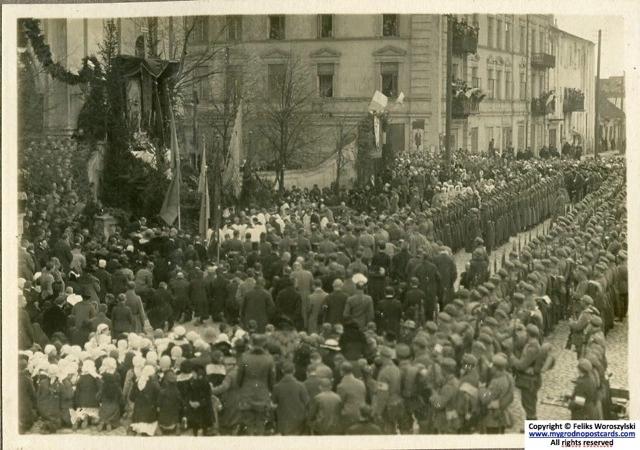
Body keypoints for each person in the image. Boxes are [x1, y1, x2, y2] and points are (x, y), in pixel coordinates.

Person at [236, 334, 276, 435]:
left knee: (248, 422)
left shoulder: (244, 357)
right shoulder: (269, 359)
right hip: (262, 393)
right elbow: (272, 380)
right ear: (264, 344)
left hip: (247, 393)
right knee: (261, 422)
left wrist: (241, 389)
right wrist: (270, 391)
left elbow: (239, 378)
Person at [271, 361, 309, 435]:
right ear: (294, 371)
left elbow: (273, 405)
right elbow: (307, 402)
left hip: (283, 421)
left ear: (282, 371)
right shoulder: (301, 386)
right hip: (299, 422)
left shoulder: (277, 387)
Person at [480, 353, 514, 434]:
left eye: (493, 366)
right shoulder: (508, 376)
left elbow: (485, 398)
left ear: (496, 368)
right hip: (503, 411)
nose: (491, 368)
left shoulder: (497, 382)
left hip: (493, 415)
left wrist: (481, 388)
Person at [336, 361, 367, 428]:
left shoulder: (341, 386)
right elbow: (364, 395)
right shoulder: (361, 383)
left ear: (342, 371)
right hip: (362, 413)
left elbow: (340, 403)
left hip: (349, 415)